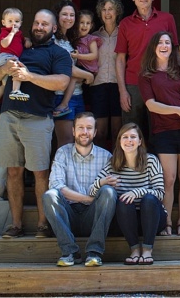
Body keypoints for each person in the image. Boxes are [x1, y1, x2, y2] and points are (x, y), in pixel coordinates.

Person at [0, 9, 72, 240]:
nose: (39, 27)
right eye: (36, 23)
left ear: (54, 29)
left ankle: (43, 225)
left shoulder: (59, 54)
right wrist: (5, 69)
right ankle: (16, 225)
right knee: (12, 171)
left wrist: (29, 76)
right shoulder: (17, 46)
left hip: (38, 119)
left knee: (40, 173)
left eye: (45, 24)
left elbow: (63, 82)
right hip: (9, 116)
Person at [139, 33, 180, 237]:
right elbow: (151, 105)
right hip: (163, 131)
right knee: (169, 178)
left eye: (167, 42)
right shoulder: (147, 75)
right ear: (153, 47)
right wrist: (178, 111)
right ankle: (166, 222)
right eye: (159, 42)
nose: (164, 45)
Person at [42, 112, 116, 267]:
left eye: (89, 128)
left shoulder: (106, 157)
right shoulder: (62, 153)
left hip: (94, 215)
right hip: (67, 216)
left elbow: (111, 188)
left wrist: (91, 201)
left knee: (109, 192)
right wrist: (86, 198)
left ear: (95, 132)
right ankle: (70, 252)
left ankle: (94, 252)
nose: (85, 132)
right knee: (50, 195)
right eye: (81, 127)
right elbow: (56, 185)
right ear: (73, 131)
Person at [90, 123, 166, 265]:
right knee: (123, 201)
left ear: (140, 141)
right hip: (126, 221)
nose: (129, 140)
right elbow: (92, 192)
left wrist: (137, 192)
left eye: (133, 137)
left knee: (149, 199)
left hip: (153, 218)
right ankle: (135, 249)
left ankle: (148, 249)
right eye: (125, 137)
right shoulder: (113, 163)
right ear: (119, 141)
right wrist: (102, 182)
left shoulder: (151, 160)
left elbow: (160, 193)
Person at [115, 0, 178, 136]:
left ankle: (157, 161)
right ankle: (133, 162)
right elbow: (120, 59)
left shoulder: (167, 19)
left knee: (160, 131)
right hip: (133, 84)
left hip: (160, 82)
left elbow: (175, 52)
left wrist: (174, 81)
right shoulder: (125, 24)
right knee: (131, 131)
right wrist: (123, 91)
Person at [52, 0, 96, 149]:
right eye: (64, 14)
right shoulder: (53, 39)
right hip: (61, 95)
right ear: (57, 16)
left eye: (72, 15)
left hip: (78, 95)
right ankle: (57, 173)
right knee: (65, 143)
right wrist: (88, 76)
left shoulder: (69, 40)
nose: (68, 18)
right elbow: (65, 68)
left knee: (78, 144)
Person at [90, 0, 123, 151]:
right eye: (103, 9)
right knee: (100, 132)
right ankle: (101, 166)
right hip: (99, 85)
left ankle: (118, 165)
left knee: (118, 131)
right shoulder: (94, 36)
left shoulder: (124, 34)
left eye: (111, 9)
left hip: (119, 86)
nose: (107, 13)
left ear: (117, 12)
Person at [0, 7, 32, 117]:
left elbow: (24, 41)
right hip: (6, 57)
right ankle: (16, 91)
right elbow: (4, 44)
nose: (13, 24)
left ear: (21, 23)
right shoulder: (5, 32)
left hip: (11, 57)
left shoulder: (19, 34)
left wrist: (27, 40)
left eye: (16, 21)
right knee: (18, 69)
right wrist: (11, 33)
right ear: (3, 22)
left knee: (5, 83)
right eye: (10, 21)